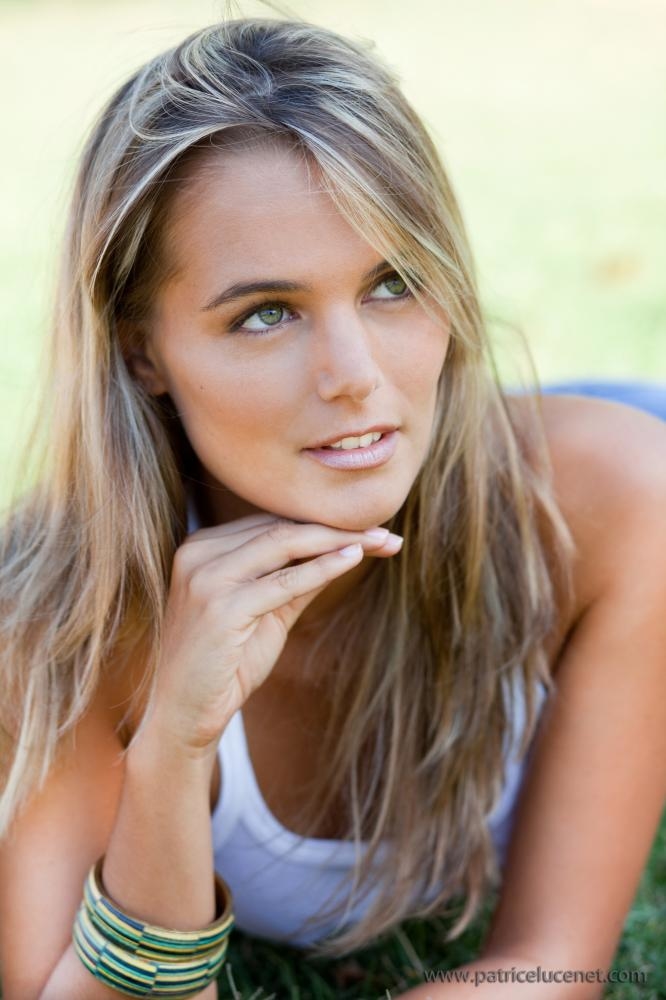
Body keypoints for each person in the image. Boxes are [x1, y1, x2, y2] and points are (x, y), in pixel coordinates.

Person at [0, 15, 665, 1000]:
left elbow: (554, 967)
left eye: (394, 284)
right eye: (265, 314)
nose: (355, 375)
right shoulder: (63, 618)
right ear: (142, 353)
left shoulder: (610, 508)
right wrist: (171, 750)